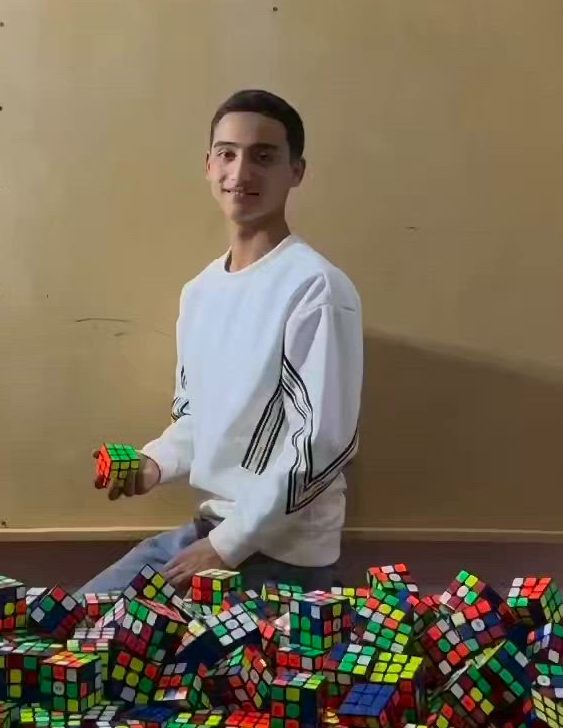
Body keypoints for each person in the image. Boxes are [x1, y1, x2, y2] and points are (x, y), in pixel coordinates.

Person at [81, 89, 362, 597]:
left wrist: (226, 546)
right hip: (207, 535)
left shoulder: (316, 287)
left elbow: (321, 447)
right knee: (71, 625)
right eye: (227, 154)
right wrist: (152, 464)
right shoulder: (201, 292)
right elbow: (196, 418)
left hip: (280, 557)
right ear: (208, 166)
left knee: (168, 671)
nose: (241, 172)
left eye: (264, 156)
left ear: (296, 171)